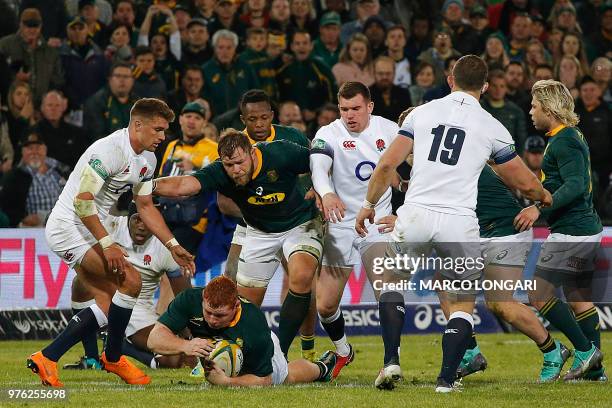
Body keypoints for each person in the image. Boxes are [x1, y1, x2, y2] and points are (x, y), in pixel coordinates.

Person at [355, 55, 551, 392]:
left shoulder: (422, 112)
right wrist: (545, 197)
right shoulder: (492, 126)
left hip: (415, 215)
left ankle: (390, 362)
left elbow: (387, 165)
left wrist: (368, 204)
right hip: (459, 223)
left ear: (450, 80)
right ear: (486, 87)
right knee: (461, 301)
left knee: (391, 282)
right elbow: (524, 182)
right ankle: (446, 380)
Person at [27, 98, 195, 387]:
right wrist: (108, 243)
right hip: (68, 227)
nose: (162, 136)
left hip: (92, 228)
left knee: (110, 303)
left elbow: (145, 206)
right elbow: (82, 202)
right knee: (130, 281)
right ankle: (111, 356)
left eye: (165, 130)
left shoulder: (148, 159)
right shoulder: (109, 151)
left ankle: (55, 357)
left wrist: (171, 244)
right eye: (157, 129)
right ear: (137, 124)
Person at [153, 128, 322, 358]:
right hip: (259, 231)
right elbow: (184, 185)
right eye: (229, 165)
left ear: (252, 153)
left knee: (301, 277)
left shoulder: (281, 152)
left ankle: (281, 352)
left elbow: (321, 158)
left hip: (300, 223)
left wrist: (322, 187)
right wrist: (145, 186)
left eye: (240, 163)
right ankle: (233, 354)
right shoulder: (220, 171)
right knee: (244, 304)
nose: (235, 170)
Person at [310, 81, 401, 379]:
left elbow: (414, 170)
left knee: (386, 290)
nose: (350, 115)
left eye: (356, 109)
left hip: (377, 222)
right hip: (340, 224)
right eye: (344, 109)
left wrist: (404, 212)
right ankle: (344, 351)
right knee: (324, 305)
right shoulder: (327, 134)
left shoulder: (389, 131)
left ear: (370, 107)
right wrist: (326, 193)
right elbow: (319, 169)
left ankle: (391, 362)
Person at [516, 79, 605, 381]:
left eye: (534, 106)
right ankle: (596, 373)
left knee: (537, 293)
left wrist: (538, 207)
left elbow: (577, 184)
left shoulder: (564, 140)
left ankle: (584, 351)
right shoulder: (568, 136)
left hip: (572, 230)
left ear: (549, 109)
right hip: (583, 228)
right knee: (578, 294)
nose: (530, 111)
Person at [63, 200, 192, 370]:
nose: (141, 226)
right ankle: (91, 358)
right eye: (137, 219)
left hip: (138, 310)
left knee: (173, 360)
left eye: (147, 221)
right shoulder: (111, 225)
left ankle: (121, 347)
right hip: (107, 298)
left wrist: (189, 338)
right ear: (128, 218)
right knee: (81, 282)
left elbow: (185, 299)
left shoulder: (167, 248)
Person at [147, 276, 337, 386]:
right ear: (203, 298)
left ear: (236, 305)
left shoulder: (253, 324)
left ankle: (323, 368)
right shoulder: (189, 299)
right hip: (218, 349)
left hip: (254, 351)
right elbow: (154, 339)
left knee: (286, 377)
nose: (212, 320)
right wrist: (185, 345)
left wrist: (227, 382)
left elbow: (265, 380)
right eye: (208, 312)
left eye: (220, 315)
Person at [158, 102, 219, 253]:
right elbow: (161, 179)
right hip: (168, 216)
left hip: (195, 223)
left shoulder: (214, 149)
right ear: (180, 119)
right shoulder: (172, 146)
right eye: (188, 116)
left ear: (204, 123)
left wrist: (195, 169)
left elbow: (218, 184)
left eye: (197, 118)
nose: (191, 121)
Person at [0, 131, 69, 227]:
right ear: (22, 152)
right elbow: (6, 207)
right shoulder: (13, 177)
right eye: (30, 148)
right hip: (32, 229)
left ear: (45, 149)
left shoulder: (62, 170)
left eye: (38, 148)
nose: (34, 152)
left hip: (63, 226)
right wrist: (22, 218)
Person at [0, 8, 65, 104]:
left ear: (41, 25)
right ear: (21, 24)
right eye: (28, 25)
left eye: (35, 25)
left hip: (41, 110)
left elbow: (57, 82)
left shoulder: (51, 51)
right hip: (11, 107)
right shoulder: (5, 45)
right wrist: (15, 79)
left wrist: (47, 106)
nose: (32, 29)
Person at [277, 30, 336, 122]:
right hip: (290, 121)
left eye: (305, 43)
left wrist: (317, 112)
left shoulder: (321, 68)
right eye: (297, 43)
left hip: (318, 120)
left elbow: (333, 97)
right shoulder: (283, 70)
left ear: (311, 46)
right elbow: (279, 98)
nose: (301, 46)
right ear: (292, 46)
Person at [202, 29, 260, 116]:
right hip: (215, 120)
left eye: (229, 47)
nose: (225, 52)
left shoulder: (246, 67)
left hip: (242, 119)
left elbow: (256, 94)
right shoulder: (205, 70)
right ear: (214, 49)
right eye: (221, 47)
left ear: (235, 48)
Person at [83, 61, 139, 140]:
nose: (122, 80)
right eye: (118, 76)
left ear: (132, 81)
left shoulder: (139, 103)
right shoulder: (96, 103)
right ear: (110, 79)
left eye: (126, 76)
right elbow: (97, 136)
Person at [575, 76, 611, 192]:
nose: (588, 93)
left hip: (604, 167)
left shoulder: (607, 112)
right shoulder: (573, 113)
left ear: (599, 92)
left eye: (592, 90)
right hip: (580, 167)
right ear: (580, 93)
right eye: (585, 90)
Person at [34, 90, 88, 167]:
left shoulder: (76, 133)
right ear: (42, 108)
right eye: (50, 105)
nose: (53, 109)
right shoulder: (34, 132)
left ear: (63, 108)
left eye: (57, 105)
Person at [481, 69, 528, 154]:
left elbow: (521, 140)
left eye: (502, 86)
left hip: (507, 159)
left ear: (506, 88)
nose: (498, 90)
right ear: (487, 87)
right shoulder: (479, 108)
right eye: (494, 86)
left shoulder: (516, 111)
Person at [369, 56, 412, 122]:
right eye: (380, 73)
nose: (384, 77)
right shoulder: (366, 95)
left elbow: (408, 121)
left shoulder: (403, 94)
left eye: (388, 73)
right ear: (374, 74)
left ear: (394, 73)